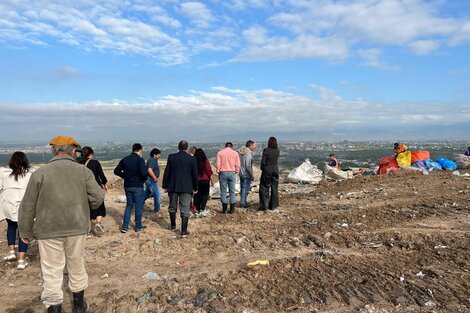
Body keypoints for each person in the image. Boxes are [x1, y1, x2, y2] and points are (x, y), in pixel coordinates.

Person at [18, 135, 104, 313]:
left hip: (48, 230)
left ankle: (54, 308)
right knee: (77, 265)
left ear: (53, 151)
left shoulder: (40, 173)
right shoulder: (83, 172)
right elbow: (98, 197)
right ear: (73, 151)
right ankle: (79, 305)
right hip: (77, 227)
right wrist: (85, 207)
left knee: (51, 270)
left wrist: (25, 232)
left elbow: (27, 206)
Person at [1, 151, 33, 270]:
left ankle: (11, 253)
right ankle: (21, 260)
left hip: (8, 204)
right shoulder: (30, 173)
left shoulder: (3, 172)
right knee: (24, 231)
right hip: (25, 206)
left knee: (11, 227)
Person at [162, 140, 198, 238]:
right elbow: (195, 175)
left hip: (173, 186)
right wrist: (195, 187)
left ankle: (173, 225)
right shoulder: (192, 159)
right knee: (185, 209)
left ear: (178, 147)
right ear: (186, 148)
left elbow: (167, 172)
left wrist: (165, 185)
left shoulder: (171, 157)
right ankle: (184, 231)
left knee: (172, 206)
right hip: (186, 187)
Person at [114, 143, 147, 233]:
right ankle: (138, 226)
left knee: (129, 205)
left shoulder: (125, 159)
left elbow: (116, 171)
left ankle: (125, 227)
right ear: (140, 150)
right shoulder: (140, 160)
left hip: (128, 186)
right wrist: (143, 180)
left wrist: (125, 176)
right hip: (138, 186)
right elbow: (144, 174)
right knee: (138, 207)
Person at [79, 146, 108, 237]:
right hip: (95, 187)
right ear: (91, 154)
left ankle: (87, 230)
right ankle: (98, 223)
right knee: (99, 205)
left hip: (82, 188)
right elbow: (101, 176)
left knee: (85, 207)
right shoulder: (95, 163)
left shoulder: (78, 163)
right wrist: (104, 184)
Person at [216, 142, 240, 214]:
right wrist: (236, 171)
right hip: (232, 172)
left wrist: (218, 171)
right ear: (231, 147)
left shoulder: (220, 153)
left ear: (225, 146)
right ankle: (232, 209)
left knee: (223, 191)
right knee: (232, 191)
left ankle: (224, 209)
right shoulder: (235, 153)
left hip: (223, 172)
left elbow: (218, 164)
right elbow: (238, 164)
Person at [258, 137, 280, 211]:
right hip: (275, 170)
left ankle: (264, 206)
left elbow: (263, 162)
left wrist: (262, 169)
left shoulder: (266, 150)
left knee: (264, 187)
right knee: (274, 188)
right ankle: (273, 205)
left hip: (267, 171)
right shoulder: (277, 151)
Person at [194, 148, 213, 213]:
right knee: (205, 195)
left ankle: (197, 208)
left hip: (196, 181)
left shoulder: (194, 161)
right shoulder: (205, 161)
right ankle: (202, 207)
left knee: (197, 195)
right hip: (205, 180)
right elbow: (208, 170)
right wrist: (210, 178)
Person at [239, 140, 256, 208]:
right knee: (245, 189)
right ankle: (243, 203)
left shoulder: (241, 152)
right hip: (246, 174)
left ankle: (242, 201)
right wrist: (251, 175)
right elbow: (248, 165)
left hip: (241, 172)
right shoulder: (248, 153)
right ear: (250, 145)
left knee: (243, 188)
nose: (255, 147)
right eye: (254, 145)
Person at [144, 148, 161, 216]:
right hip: (151, 180)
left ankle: (137, 204)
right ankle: (157, 209)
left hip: (148, 179)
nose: (159, 156)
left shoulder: (150, 159)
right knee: (157, 195)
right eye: (159, 154)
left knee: (146, 194)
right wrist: (154, 177)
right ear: (155, 155)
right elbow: (149, 170)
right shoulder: (153, 160)